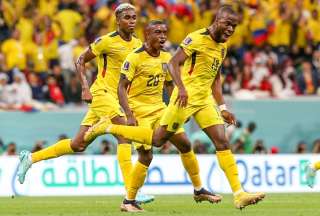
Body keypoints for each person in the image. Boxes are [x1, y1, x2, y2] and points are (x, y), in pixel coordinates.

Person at [85, 5, 265, 209]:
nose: (231, 29)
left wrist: (222, 106)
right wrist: (180, 90)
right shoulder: (195, 38)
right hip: (183, 99)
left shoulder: (222, 47)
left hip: (204, 100)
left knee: (220, 142)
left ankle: (237, 193)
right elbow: (173, 63)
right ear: (217, 20)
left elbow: (215, 78)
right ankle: (106, 128)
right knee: (157, 141)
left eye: (234, 26)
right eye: (227, 24)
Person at [16, 3, 153, 204]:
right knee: (124, 134)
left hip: (117, 99)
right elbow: (80, 60)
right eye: (127, 18)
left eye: (134, 18)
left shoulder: (138, 44)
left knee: (78, 144)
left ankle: (30, 159)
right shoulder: (106, 41)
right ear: (117, 20)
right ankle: (132, 192)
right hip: (101, 93)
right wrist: (85, 87)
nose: (132, 21)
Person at [117, 20, 221, 212]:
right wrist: (128, 114)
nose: (163, 36)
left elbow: (169, 86)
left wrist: (180, 107)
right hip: (139, 112)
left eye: (165, 32)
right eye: (157, 32)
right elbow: (121, 88)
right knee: (146, 156)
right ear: (147, 34)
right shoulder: (134, 58)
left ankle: (199, 189)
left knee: (185, 144)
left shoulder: (167, 57)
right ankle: (128, 201)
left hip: (160, 110)